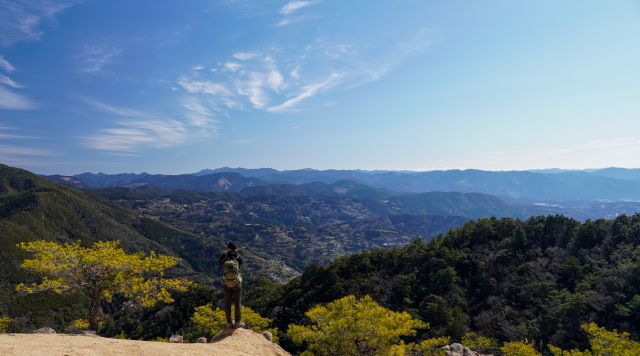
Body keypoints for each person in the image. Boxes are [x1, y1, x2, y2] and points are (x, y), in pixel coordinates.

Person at [219, 242, 244, 329]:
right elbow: (241, 264)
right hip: (237, 282)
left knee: (227, 302)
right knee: (237, 303)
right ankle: (237, 323)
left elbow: (220, 263)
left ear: (228, 248)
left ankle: (229, 323)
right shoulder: (238, 256)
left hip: (226, 282)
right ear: (236, 248)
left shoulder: (224, 256)